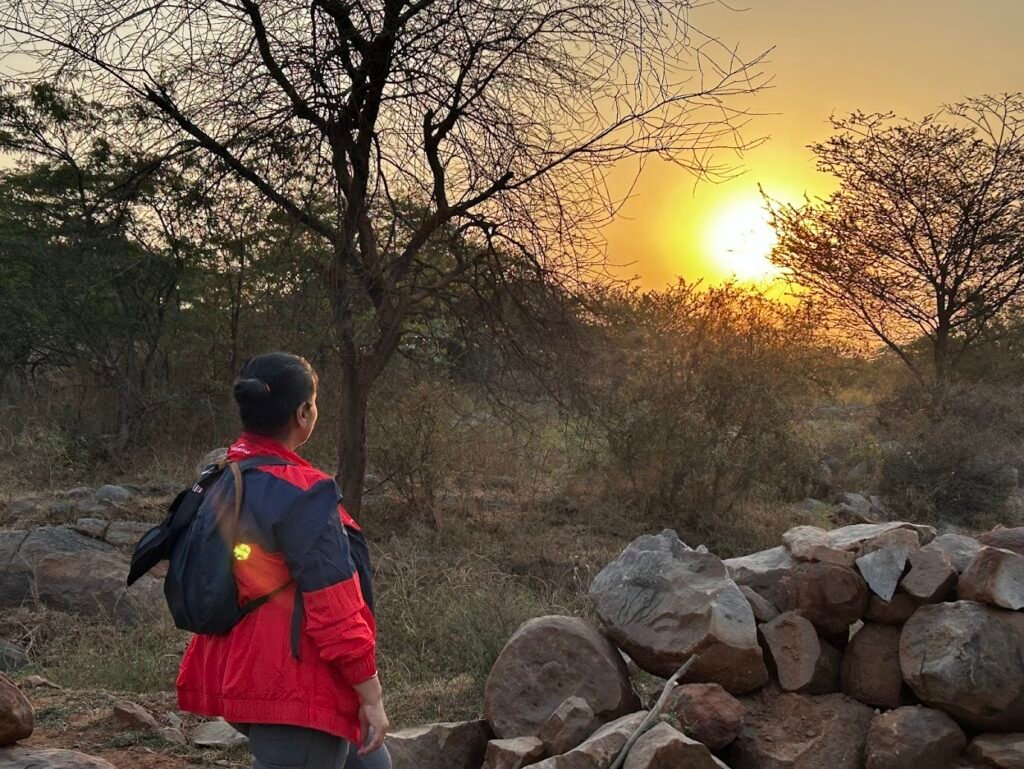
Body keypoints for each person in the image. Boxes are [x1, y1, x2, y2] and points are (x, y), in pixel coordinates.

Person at [177, 352, 391, 769]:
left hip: (239, 664)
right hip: (292, 680)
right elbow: (336, 610)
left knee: (371, 763)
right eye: (314, 402)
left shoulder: (223, 472)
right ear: (304, 412)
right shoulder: (304, 492)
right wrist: (371, 693)